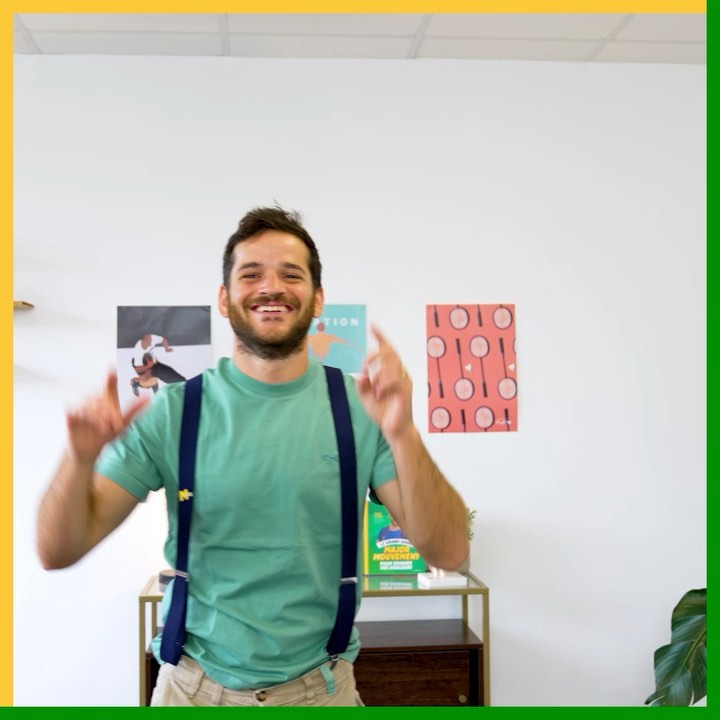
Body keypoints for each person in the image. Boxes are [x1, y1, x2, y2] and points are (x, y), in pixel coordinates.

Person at [36, 206, 469, 707]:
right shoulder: (174, 412)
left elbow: (449, 552)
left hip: (322, 691)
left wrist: (404, 433)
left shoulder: (362, 409)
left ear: (317, 298)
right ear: (224, 298)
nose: (271, 287)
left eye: (291, 274)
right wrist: (77, 460)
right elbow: (57, 552)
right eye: (251, 274)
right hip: (192, 691)